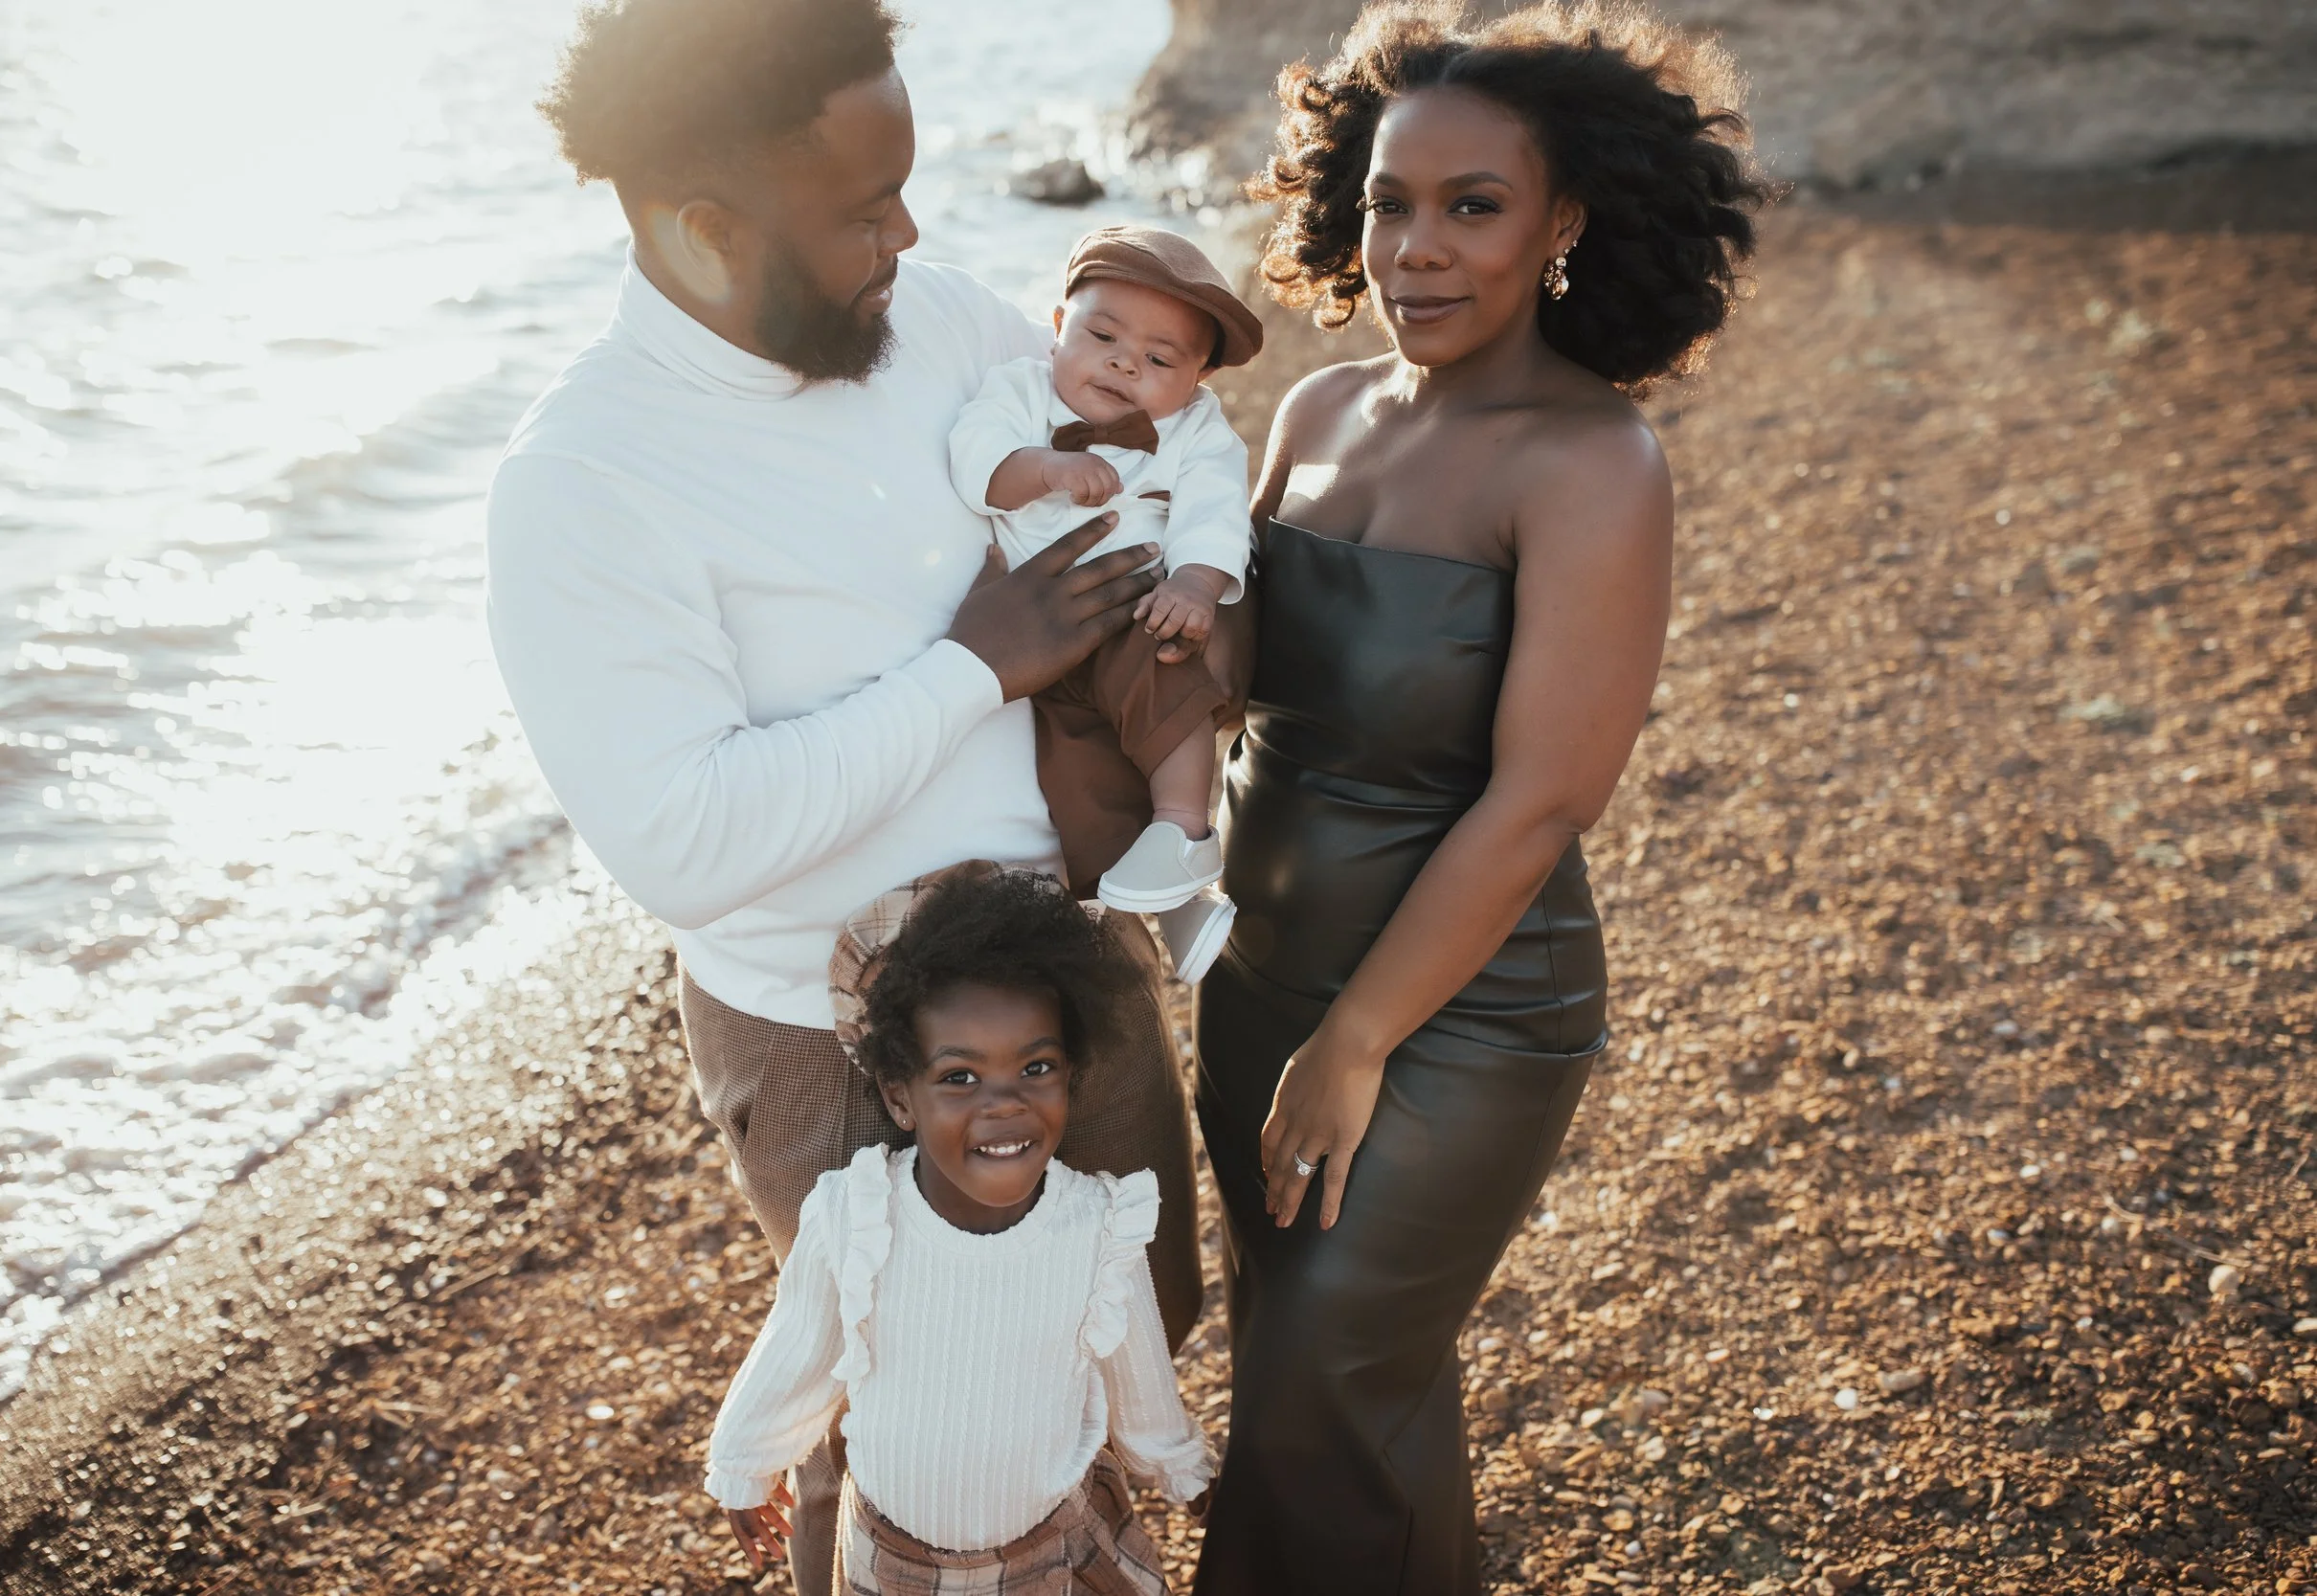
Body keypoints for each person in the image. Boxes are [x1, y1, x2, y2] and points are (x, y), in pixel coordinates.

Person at [484, 3, 1203, 1588]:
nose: (912, 231)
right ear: (701, 228)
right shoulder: (581, 485)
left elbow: (1137, 457)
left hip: (1068, 970)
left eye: (907, 185)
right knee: (899, 1405)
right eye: (863, 209)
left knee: (1124, 1323)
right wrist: (974, 667)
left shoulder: (937, 320)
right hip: (834, 1038)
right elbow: (681, 840)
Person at [1187, 4, 1771, 1591]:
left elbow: (1536, 802)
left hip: (1454, 1015)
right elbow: (1248, 667)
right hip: (1256, 985)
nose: (1416, 251)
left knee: (1317, 1396)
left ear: (1564, 224)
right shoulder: (1316, 414)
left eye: (1473, 206)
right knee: (1341, 1390)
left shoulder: (1589, 464)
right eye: (1390, 201)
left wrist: (1357, 1038)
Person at [705, 865, 1211, 1593]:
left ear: (1071, 1073)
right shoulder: (859, 1216)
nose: (1003, 1103)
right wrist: (744, 1466)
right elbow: (799, 1349)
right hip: (896, 1560)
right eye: (960, 1077)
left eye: (1035, 1066)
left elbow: (1142, 1386)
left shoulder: (1099, 1228)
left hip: (1056, 1549)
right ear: (898, 1096)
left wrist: (1183, 1470)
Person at [949, 225, 1265, 983]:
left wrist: (1193, 584)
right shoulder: (1019, 393)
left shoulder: (1195, 431)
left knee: (1167, 681)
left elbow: (1217, 510)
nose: (1125, 361)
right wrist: (1045, 468)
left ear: (1197, 380)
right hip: (1042, 641)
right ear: (1058, 327)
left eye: (1159, 359)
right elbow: (976, 463)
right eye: (1102, 335)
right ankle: (1171, 904)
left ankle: (1186, 827)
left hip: (1135, 608)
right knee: (1076, 783)